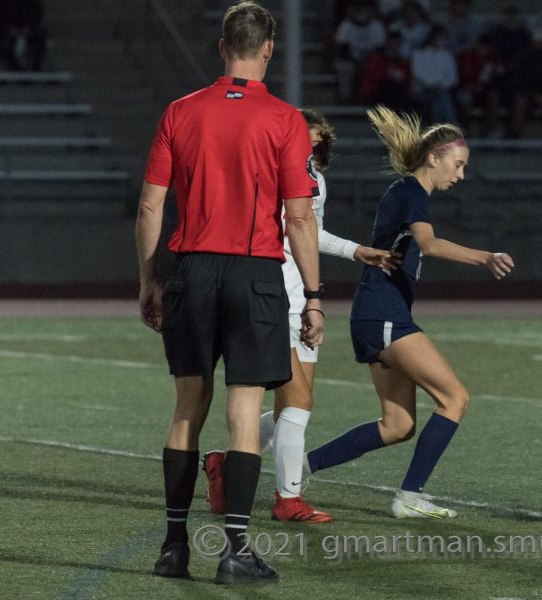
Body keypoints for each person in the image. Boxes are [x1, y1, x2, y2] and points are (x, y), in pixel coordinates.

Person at [135, 1, 323, 585]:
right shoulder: (286, 119)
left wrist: (149, 279)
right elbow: (298, 218)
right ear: (268, 49)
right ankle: (234, 551)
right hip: (254, 275)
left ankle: (173, 547)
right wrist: (314, 295)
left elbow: (149, 206)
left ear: (222, 46)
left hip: (191, 269)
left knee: (187, 408)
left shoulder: (180, 111)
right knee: (245, 412)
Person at [302, 105, 514, 519]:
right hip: (384, 314)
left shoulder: (406, 192)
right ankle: (410, 496)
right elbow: (430, 244)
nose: (461, 174)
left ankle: (299, 468)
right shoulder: (410, 192)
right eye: (458, 165)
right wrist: (485, 257)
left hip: (376, 313)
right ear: (434, 157)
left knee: (397, 425)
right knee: (455, 398)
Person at [203, 109, 396, 523]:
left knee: (296, 403)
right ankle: (287, 498)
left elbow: (308, 228)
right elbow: (288, 224)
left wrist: (354, 251)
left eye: (317, 141)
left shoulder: (313, 180)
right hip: (271, 293)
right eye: (304, 137)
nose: (311, 146)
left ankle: (227, 461)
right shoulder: (267, 171)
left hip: (296, 294)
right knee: (298, 400)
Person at [333, 2, 386, 103]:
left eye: (365, 8)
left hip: (371, 61)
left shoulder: (377, 27)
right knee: (345, 68)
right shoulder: (346, 26)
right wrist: (356, 62)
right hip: (350, 60)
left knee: (375, 66)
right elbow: (342, 50)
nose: (362, 12)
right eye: (358, 8)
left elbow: (379, 51)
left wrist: (366, 61)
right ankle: (345, 100)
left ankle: (372, 99)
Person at [356, 30, 417, 114]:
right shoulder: (377, 60)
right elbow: (372, 80)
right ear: (387, 43)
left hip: (398, 94)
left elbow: (408, 81)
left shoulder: (403, 63)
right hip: (378, 93)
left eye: (397, 43)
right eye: (393, 42)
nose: (395, 45)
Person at [410, 26, 460, 125]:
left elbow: (453, 77)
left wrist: (442, 85)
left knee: (440, 97)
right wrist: (432, 83)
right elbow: (417, 72)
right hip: (423, 87)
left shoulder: (448, 55)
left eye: (443, 38)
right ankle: (452, 125)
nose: (442, 41)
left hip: (442, 88)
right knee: (441, 97)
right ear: (432, 39)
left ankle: (439, 127)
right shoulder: (420, 54)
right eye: (439, 38)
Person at [0, 0, 48, 71]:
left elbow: (37, 15)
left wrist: (29, 27)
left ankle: (35, 68)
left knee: (40, 38)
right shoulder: (2, 3)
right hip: (8, 34)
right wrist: (8, 29)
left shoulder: (32, 2)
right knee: (3, 49)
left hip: (29, 33)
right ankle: (18, 71)